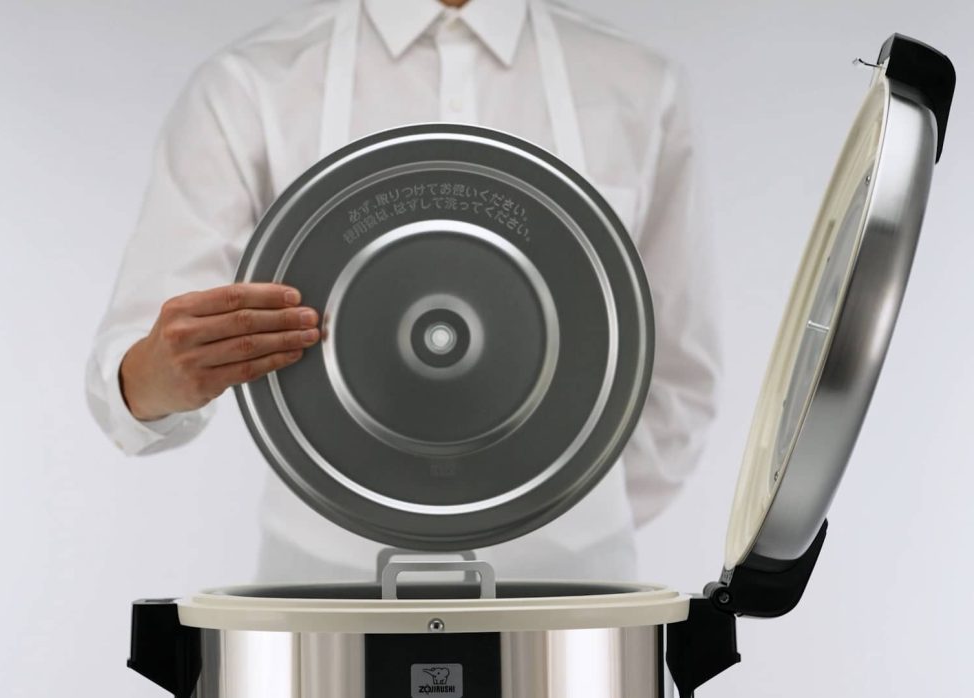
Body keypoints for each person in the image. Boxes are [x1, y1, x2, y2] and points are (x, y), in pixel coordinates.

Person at [86, 0, 721, 583]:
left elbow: (681, 375)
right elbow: (139, 368)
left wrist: (554, 515)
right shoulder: (252, 84)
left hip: (576, 589)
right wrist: (160, 376)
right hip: (325, 587)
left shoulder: (638, 83)